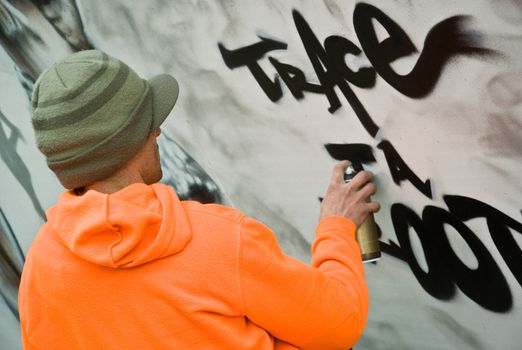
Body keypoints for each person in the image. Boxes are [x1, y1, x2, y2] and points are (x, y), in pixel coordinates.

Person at [18, 50, 380, 350]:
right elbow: (338, 323)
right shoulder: (218, 239)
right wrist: (337, 225)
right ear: (128, 141)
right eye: (148, 122)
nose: (158, 130)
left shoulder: (42, 264)